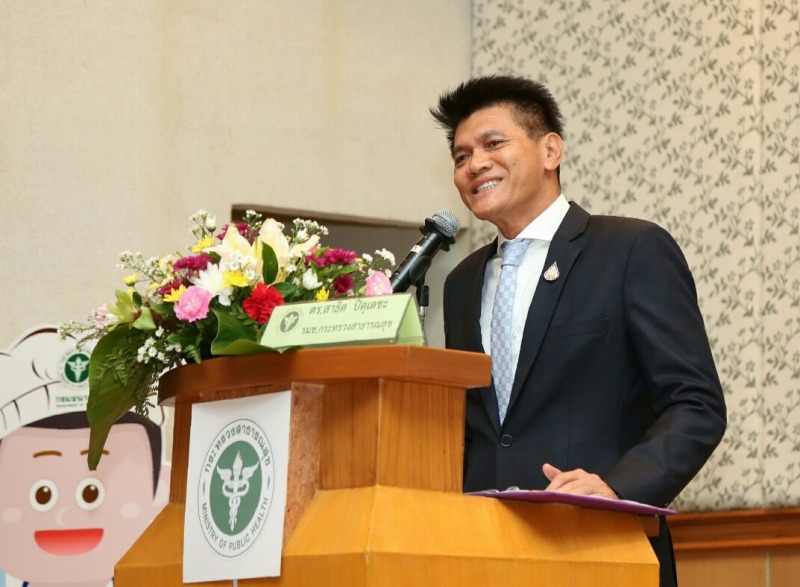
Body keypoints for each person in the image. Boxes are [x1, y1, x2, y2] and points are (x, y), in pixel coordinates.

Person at [431, 74, 726, 586]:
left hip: (602, 544)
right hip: (481, 550)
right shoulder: (461, 281)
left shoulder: (630, 250)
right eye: (460, 156)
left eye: (493, 143)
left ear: (550, 150)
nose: (474, 164)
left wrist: (619, 487)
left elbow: (696, 405)